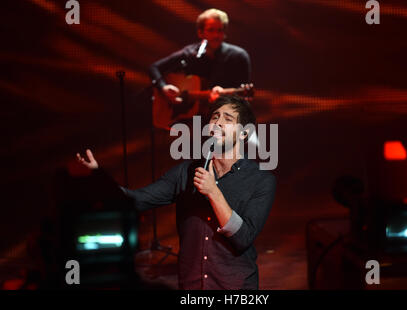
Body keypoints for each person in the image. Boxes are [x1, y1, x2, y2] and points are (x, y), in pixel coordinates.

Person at [76, 95, 276, 290]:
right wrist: (97, 176)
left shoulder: (261, 180)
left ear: (243, 134)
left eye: (228, 118)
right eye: (215, 117)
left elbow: (242, 238)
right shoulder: (186, 172)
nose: (218, 122)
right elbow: (136, 201)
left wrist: (213, 192)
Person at [150, 8, 251, 104]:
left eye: (220, 30)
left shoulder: (238, 56)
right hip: (188, 118)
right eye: (211, 30)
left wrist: (225, 96)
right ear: (200, 32)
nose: (216, 35)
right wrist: (163, 87)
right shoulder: (190, 53)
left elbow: (242, 97)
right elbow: (154, 67)